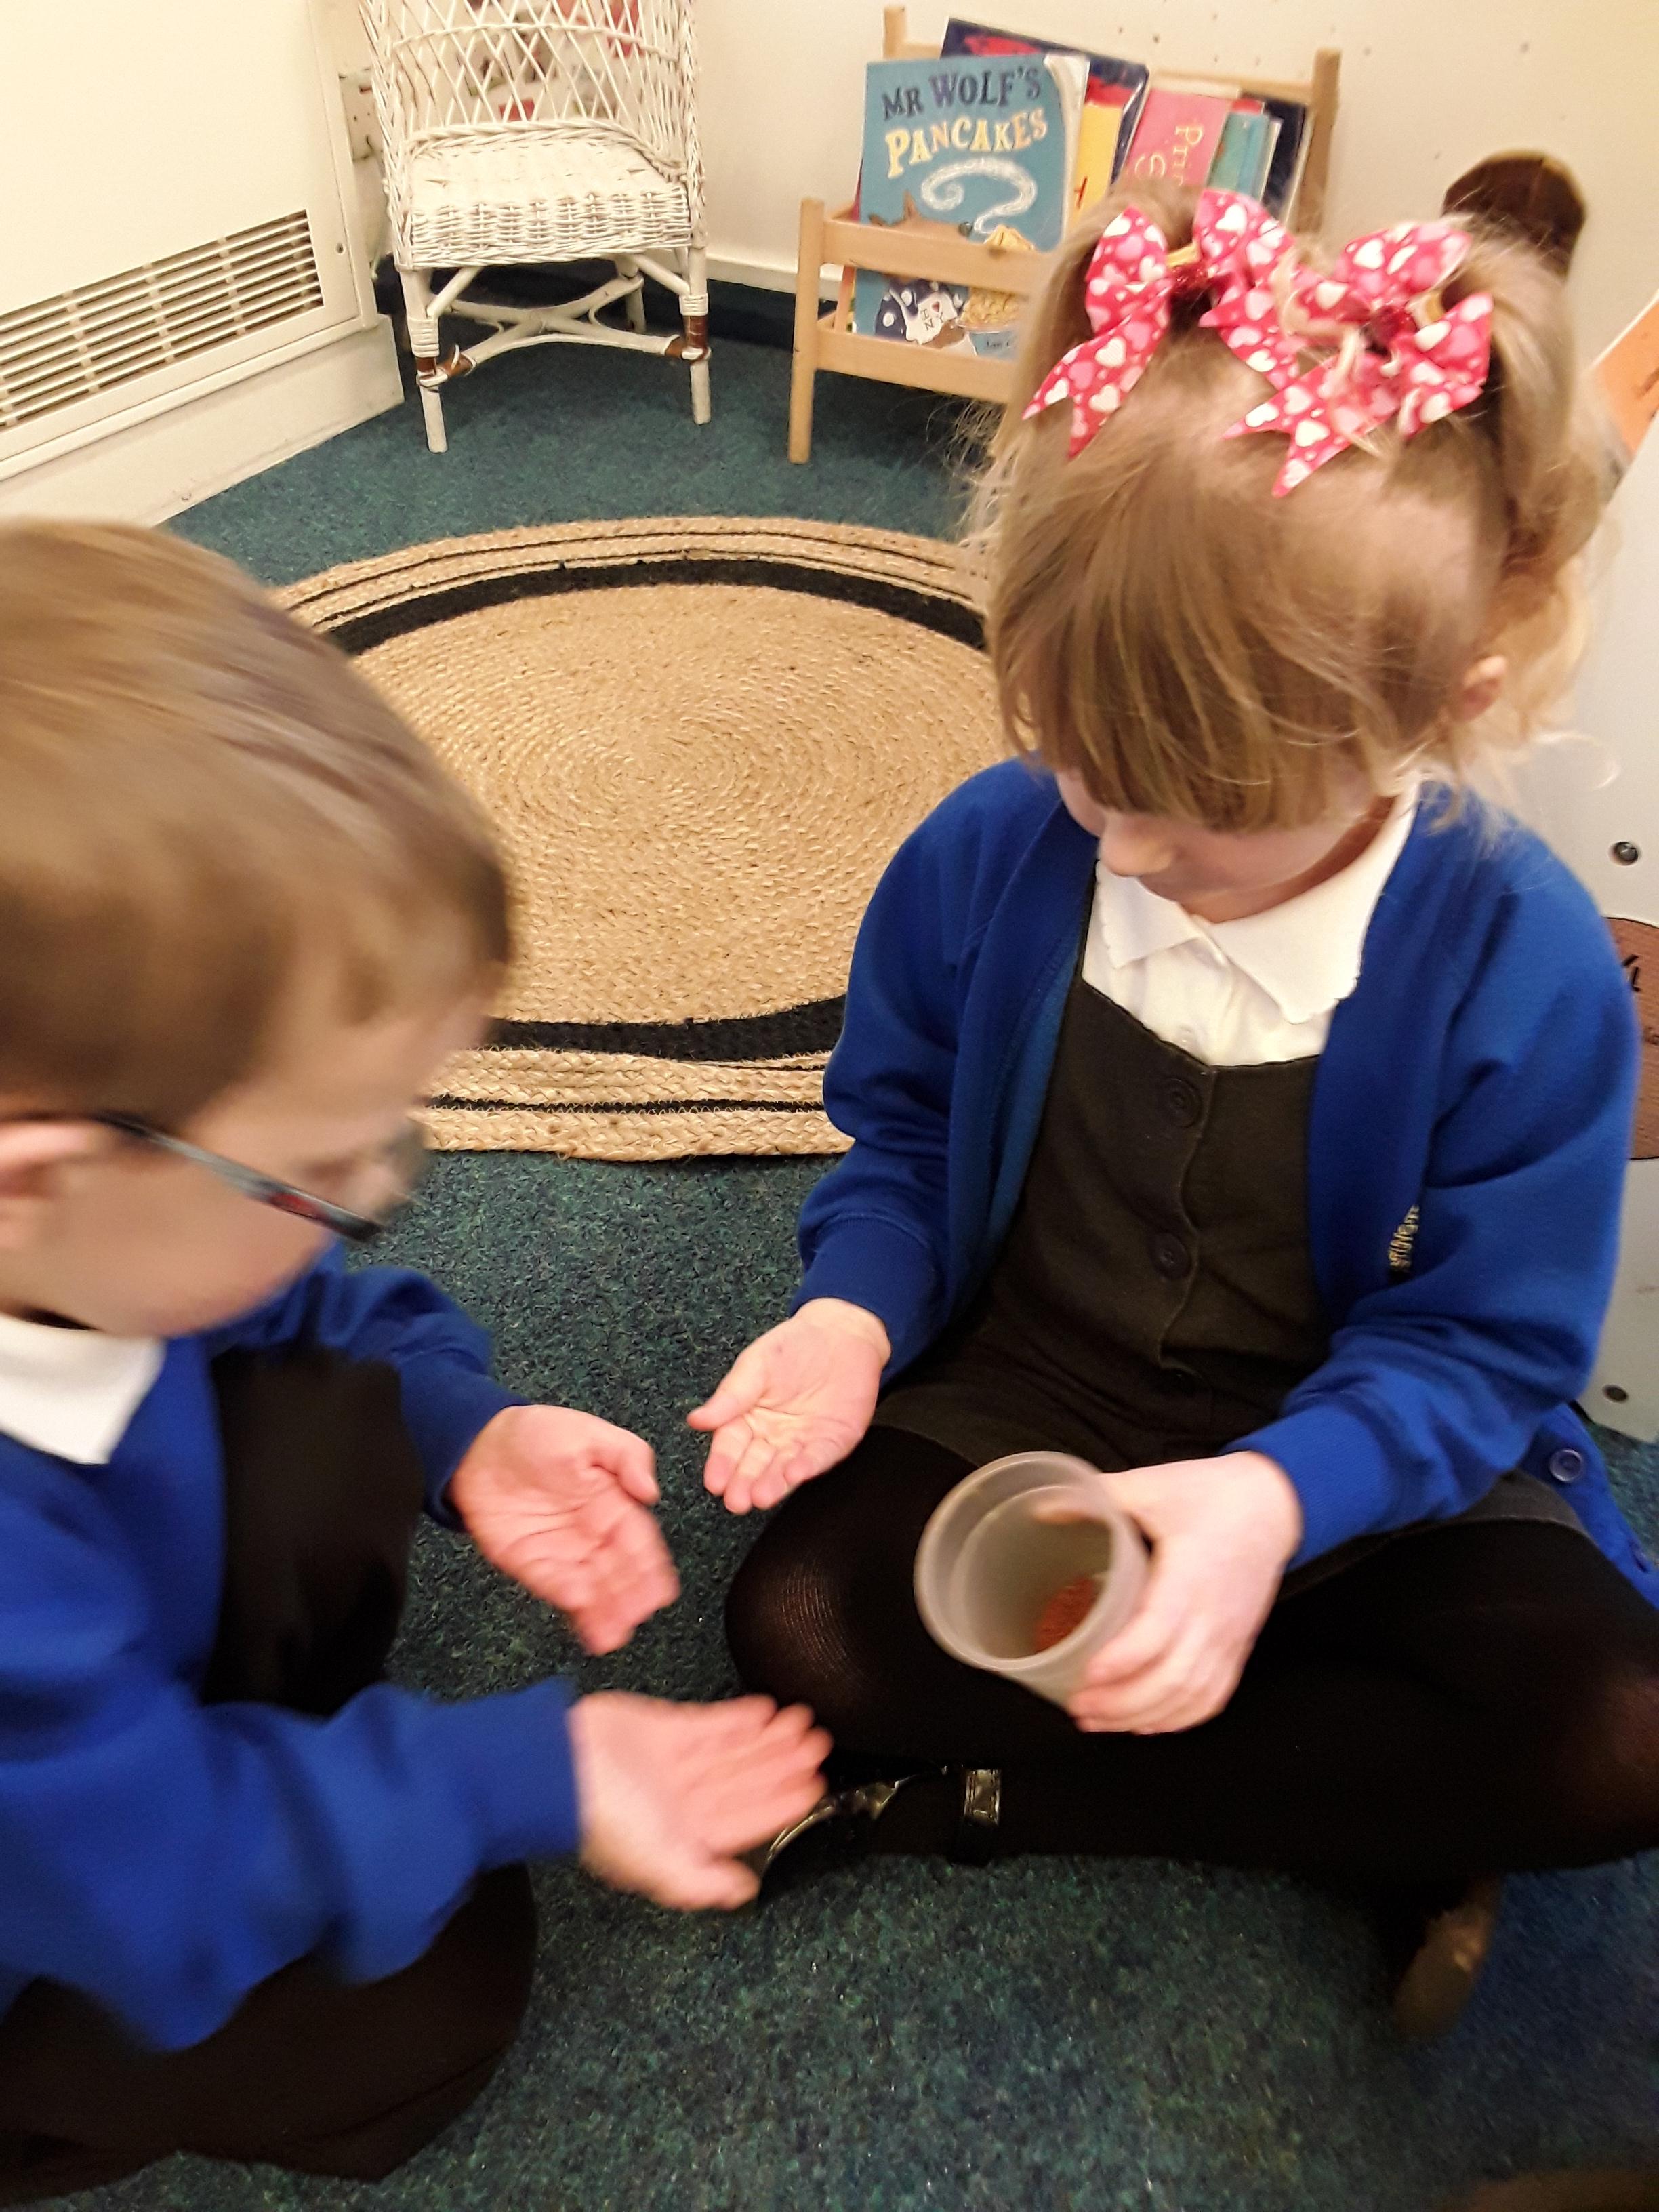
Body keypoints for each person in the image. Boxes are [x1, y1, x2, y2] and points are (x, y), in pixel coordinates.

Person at [695, 183, 1659, 2032]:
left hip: (1370, 1453)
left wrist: (1276, 1502)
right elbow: (903, 1136)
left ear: (1434, 710)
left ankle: (987, 1794)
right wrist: (851, 1313)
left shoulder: (1524, 962)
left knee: (1623, 1731)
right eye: (1081, 766)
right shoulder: (992, 851)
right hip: (1039, 1391)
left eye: (1203, 814)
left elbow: (1481, 1344)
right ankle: (1361, 1794)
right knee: (800, 1621)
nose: (1124, 849)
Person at [0, 523, 829, 2205]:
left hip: (82, 1704)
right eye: (323, 1169)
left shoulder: (83, 1233)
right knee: (442, 1983)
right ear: (40, 1176)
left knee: (335, 1413)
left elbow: (291, 1316)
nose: (378, 1194)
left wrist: (466, 1431)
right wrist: (533, 1772)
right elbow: (152, 1890)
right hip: (56, 1906)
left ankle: (200, 1736)